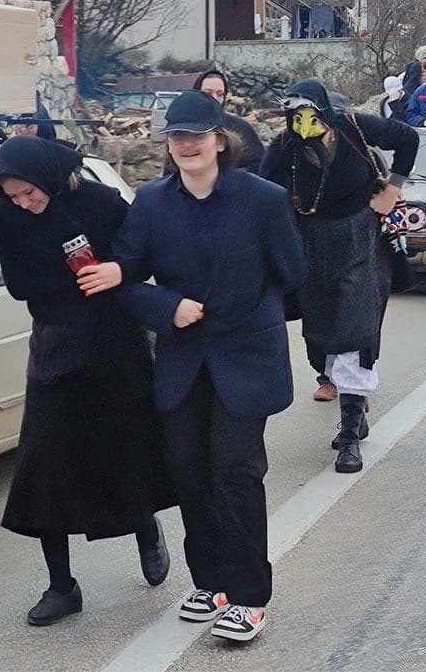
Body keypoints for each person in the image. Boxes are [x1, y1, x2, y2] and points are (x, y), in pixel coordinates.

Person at [110, 90, 305, 644]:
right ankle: (211, 582)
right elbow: (123, 276)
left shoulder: (263, 200)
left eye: (198, 135)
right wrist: (166, 307)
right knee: (189, 472)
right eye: (177, 136)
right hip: (182, 358)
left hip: (246, 357)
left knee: (235, 474)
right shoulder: (150, 203)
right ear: (168, 144)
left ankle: (248, 597)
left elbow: (292, 270)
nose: (188, 144)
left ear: (221, 140)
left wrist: (255, 311)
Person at [0, 136, 174, 627]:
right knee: (46, 465)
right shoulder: (8, 216)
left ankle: (145, 529)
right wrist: (72, 283)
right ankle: (61, 585)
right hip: (56, 348)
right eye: (13, 196)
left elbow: (141, 260)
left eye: (28, 193)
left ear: (49, 177)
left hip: (117, 344)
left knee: (126, 449)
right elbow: (19, 283)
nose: (23, 204)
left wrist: (113, 273)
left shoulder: (104, 202)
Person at [260, 80, 419, 471]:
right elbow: (261, 192)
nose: (304, 125)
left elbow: (408, 139)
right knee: (320, 335)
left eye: (310, 116)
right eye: (295, 117)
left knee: (355, 330)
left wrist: (392, 191)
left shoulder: (355, 127)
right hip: (310, 244)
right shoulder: (284, 147)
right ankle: (351, 406)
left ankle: (349, 435)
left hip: (359, 238)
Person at [190, 68, 265, 173]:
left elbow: (258, 164)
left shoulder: (240, 127)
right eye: (208, 93)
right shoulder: (184, 128)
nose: (214, 98)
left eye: (220, 94)